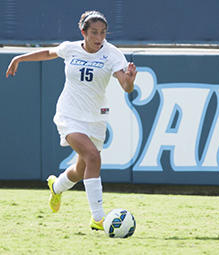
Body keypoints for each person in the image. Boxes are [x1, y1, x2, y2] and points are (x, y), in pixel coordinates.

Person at [6, 10, 137, 231]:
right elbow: (49, 53)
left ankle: (56, 187)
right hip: (69, 115)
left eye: (103, 33)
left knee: (79, 169)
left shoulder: (113, 54)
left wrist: (130, 81)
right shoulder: (71, 48)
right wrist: (19, 57)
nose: (99, 37)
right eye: (94, 32)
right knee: (93, 157)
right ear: (83, 32)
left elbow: (125, 86)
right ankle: (98, 218)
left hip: (96, 118)